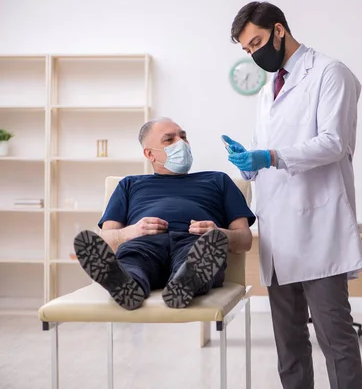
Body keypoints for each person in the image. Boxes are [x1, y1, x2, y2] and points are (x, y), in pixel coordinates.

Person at [224, 1, 362, 389]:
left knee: (335, 339)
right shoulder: (268, 88)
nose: (254, 54)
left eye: (256, 42)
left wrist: (270, 156)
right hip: (277, 234)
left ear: (279, 30)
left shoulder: (329, 73)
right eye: (247, 50)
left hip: (318, 228)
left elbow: (333, 143)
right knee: (289, 346)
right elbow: (265, 148)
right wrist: (248, 161)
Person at [72, 117, 255, 311]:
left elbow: (245, 240)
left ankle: (185, 282)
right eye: (169, 140)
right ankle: (127, 286)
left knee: (195, 260)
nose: (181, 143)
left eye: (183, 137)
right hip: (143, 245)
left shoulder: (218, 180)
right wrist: (131, 232)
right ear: (150, 154)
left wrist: (219, 234)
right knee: (133, 263)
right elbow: (106, 240)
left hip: (195, 244)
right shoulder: (129, 185)